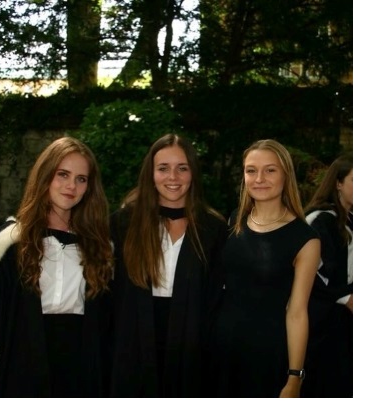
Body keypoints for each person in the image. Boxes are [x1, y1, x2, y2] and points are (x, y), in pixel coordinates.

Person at [0, 136, 113, 397]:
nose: (71, 186)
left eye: (81, 179)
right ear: (45, 176)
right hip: (23, 364)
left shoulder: (100, 248)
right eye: (62, 174)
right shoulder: (8, 245)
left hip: (82, 371)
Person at [109, 133, 228, 397]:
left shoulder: (213, 228)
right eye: (163, 168)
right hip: (134, 343)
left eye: (182, 168)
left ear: (193, 173)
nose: (172, 177)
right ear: (150, 174)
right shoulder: (123, 224)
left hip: (192, 348)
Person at [210, 139, 321, 398]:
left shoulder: (306, 239)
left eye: (270, 170)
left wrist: (295, 377)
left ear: (286, 175)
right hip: (220, 349)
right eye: (251, 170)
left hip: (266, 355)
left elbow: (297, 313)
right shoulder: (234, 220)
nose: (259, 178)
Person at [301, 154, 353, 397]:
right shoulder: (320, 220)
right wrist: (346, 297)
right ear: (338, 183)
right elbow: (309, 273)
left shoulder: (353, 218)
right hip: (323, 324)